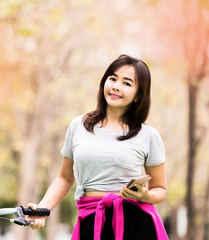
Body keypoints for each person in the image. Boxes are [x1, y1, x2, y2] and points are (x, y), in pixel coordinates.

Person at [27, 54, 168, 240]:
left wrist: (145, 196)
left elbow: (160, 189)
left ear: (139, 95)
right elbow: (64, 178)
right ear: (104, 82)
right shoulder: (78, 126)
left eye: (127, 83)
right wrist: (43, 209)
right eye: (112, 79)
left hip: (136, 225)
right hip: (91, 220)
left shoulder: (148, 135)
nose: (116, 86)